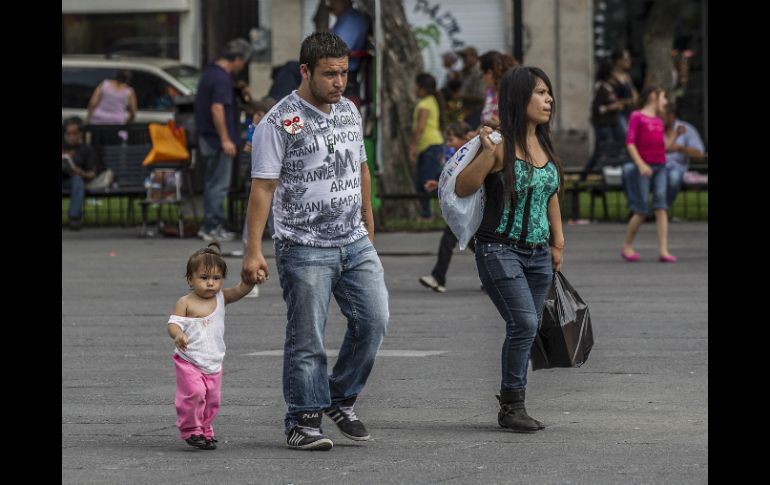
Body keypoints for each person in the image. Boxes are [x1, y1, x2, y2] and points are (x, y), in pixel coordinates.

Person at [242, 31, 389, 451]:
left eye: (344, 73)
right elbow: (263, 189)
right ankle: (303, 419)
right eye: (329, 74)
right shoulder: (280, 121)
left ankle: (339, 397)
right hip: (304, 246)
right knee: (308, 336)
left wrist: (368, 221)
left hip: (354, 240)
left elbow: (360, 168)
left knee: (374, 321)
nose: (339, 82)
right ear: (305, 71)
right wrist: (253, 250)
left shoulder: (348, 111)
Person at [455, 66, 564, 433]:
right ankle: (512, 404)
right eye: (540, 93)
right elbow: (462, 187)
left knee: (526, 330)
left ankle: (513, 404)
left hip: (538, 254)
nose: (548, 100)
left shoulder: (544, 143)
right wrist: (486, 156)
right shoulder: (499, 144)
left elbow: (551, 195)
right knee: (524, 322)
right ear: (519, 98)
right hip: (499, 249)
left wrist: (558, 242)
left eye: (549, 93)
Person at [167, 242, 256, 450]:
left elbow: (241, 290)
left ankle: (205, 430)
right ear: (190, 279)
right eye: (204, 278)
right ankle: (191, 429)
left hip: (213, 360)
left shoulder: (221, 297)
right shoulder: (185, 302)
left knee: (212, 399)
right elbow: (173, 323)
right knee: (195, 393)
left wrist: (250, 281)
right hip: (189, 359)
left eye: (216, 278)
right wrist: (178, 334)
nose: (210, 284)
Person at [194, 38, 252, 243]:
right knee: (219, 184)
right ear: (237, 59)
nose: (242, 67)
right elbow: (217, 108)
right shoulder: (221, 79)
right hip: (217, 140)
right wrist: (226, 139)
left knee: (212, 182)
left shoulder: (211, 73)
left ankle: (211, 224)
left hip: (207, 137)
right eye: (243, 62)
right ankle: (213, 226)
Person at [620, 86, 675, 262]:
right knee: (642, 209)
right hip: (644, 167)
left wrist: (673, 137)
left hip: (660, 166)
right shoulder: (637, 117)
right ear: (653, 97)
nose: (665, 102)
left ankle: (664, 250)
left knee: (661, 206)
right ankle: (627, 245)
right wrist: (641, 164)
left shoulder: (659, 120)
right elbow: (630, 143)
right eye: (663, 97)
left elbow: (662, 147)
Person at [419, 121, 475, 293]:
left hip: (465, 207)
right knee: (474, 243)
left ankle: (438, 277)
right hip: (459, 207)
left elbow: (465, 181)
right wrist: (438, 184)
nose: (448, 144)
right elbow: (454, 180)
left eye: (451, 140)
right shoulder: (459, 156)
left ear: (465, 138)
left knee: (449, 240)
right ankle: (493, 273)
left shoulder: (470, 156)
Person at [409, 72, 445, 220]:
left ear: (422, 87)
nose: (414, 89)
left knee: (424, 182)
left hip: (429, 145)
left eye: (416, 86)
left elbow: (420, 127)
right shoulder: (432, 100)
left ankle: (427, 214)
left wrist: (412, 146)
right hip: (433, 145)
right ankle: (432, 212)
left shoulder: (424, 104)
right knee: (430, 180)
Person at [582, 58, 626, 176]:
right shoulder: (601, 87)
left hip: (611, 123)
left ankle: (584, 175)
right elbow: (598, 108)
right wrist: (612, 107)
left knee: (601, 150)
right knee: (606, 149)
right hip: (604, 124)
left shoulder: (610, 86)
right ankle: (603, 174)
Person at [663, 101, 705, 209]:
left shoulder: (687, 129)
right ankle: (638, 211)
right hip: (654, 167)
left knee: (674, 177)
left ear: (671, 114)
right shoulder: (653, 128)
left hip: (675, 169)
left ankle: (659, 209)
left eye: (661, 114)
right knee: (630, 171)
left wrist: (680, 148)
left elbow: (700, 154)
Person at [62, 116, 99, 231]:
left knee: (77, 180)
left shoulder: (86, 150)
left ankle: (74, 217)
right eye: (68, 134)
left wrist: (79, 172)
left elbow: (92, 174)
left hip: (71, 181)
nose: (71, 137)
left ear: (80, 134)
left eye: (74, 133)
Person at [329, 0, 370, 104]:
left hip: (339, 69)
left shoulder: (352, 21)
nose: (331, 5)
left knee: (290, 72)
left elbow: (338, 50)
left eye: (335, 2)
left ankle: (288, 115)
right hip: (332, 67)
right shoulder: (344, 19)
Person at [455, 46, 485, 129]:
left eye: (465, 57)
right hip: (469, 112)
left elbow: (481, 96)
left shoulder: (478, 71)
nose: (463, 60)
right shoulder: (468, 71)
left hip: (476, 112)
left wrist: (462, 96)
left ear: (473, 56)